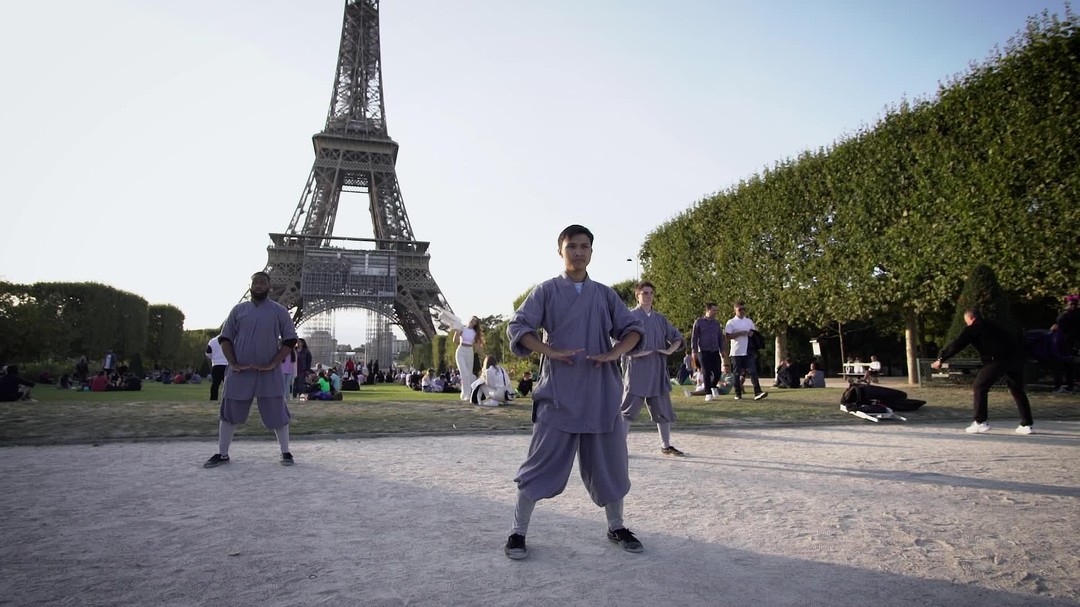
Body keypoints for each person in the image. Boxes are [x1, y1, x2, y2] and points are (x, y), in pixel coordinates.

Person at [503, 224, 645, 561]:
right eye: (571, 246)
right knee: (539, 465)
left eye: (584, 246)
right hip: (559, 393)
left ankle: (616, 526)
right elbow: (519, 326)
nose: (578, 252)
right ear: (560, 251)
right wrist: (549, 351)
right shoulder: (546, 291)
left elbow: (633, 330)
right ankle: (517, 532)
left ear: (592, 252)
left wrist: (613, 353)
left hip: (601, 391)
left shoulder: (606, 294)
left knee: (611, 465)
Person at [203, 271, 299, 468]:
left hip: (268, 371)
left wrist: (274, 363)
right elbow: (225, 338)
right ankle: (222, 453)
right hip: (240, 371)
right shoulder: (238, 310)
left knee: (277, 411)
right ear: (250, 285)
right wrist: (233, 363)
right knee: (229, 411)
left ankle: (286, 452)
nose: (258, 286)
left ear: (269, 286)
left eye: (263, 283)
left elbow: (290, 340)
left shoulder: (279, 311)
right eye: (255, 283)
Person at [931, 307, 1034, 434]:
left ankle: (980, 422)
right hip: (1015, 360)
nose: (966, 324)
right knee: (1017, 390)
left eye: (966, 321)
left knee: (979, 386)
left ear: (970, 318)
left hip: (996, 360)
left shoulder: (974, 328)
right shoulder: (995, 326)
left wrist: (941, 359)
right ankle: (1027, 424)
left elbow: (958, 344)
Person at [621, 281, 686, 456]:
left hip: (657, 371)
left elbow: (677, 338)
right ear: (637, 295)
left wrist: (669, 350)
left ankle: (666, 446)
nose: (648, 296)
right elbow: (617, 341)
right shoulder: (629, 316)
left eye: (650, 293)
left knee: (663, 411)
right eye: (644, 293)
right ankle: (618, 448)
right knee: (627, 411)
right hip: (637, 371)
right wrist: (634, 353)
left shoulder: (660, 319)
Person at [725, 301, 768, 401]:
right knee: (737, 373)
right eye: (740, 309)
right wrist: (740, 333)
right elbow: (727, 336)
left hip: (748, 350)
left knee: (753, 371)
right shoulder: (731, 322)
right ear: (735, 310)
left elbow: (755, 333)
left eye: (744, 309)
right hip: (737, 351)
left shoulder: (749, 321)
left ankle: (758, 392)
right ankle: (737, 393)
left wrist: (752, 334)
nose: (742, 311)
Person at [690, 303, 725, 397]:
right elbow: (694, 337)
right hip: (703, 351)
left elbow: (720, 337)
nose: (715, 312)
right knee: (706, 372)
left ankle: (713, 387)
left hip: (715, 350)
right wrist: (694, 351)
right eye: (714, 310)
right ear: (708, 310)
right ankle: (708, 393)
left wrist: (722, 350)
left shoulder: (716, 323)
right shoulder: (699, 322)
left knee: (717, 372)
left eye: (716, 310)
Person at [453, 317, 484, 401]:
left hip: (470, 352)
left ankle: (465, 393)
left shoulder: (475, 332)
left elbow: (478, 345)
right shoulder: (462, 328)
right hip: (461, 351)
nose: (473, 322)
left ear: (475, 324)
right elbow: (455, 341)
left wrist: (483, 356)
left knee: (469, 375)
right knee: (464, 373)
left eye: (475, 321)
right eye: (472, 319)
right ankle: (467, 394)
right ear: (469, 319)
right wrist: (456, 332)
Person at [1054, 295, 1079, 392]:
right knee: (1062, 363)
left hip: (1074, 341)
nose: (1074, 306)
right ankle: (1058, 385)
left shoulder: (1077, 315)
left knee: (1071, 364)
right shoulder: (1063, 316)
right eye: (1071, 304)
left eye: (1075, 304)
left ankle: (1071, 384)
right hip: (1063, 342)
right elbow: (1060, 330)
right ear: (1067, 305)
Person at [206, 334, 229, 401]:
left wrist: (214, 358)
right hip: (227, 365)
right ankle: (227, 399)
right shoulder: (230, 340)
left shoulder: (212, 341)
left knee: (215, 384)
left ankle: (213, 399)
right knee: (228, 384)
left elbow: (208, 353)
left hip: (216, 365)